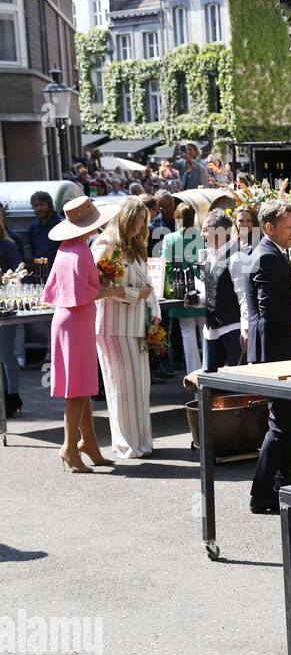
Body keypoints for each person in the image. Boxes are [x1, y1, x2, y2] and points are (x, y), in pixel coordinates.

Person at [247, 198, 291, 515]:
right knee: (283, 423)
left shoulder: (272, 253)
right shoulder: (267, 257)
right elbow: (270, 310)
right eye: (289, 228)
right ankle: (263, 493)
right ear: (269, 227)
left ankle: (282, 484)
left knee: (287, 421)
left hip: (278, 345)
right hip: (274, 349)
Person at [43, 197, 123, 472]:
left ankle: (88, 443)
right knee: (77, 390)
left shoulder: (66, 249)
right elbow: (86, 293)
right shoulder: (80, 251)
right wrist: (111, 289)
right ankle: (69, 446)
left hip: (69, 320)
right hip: (76, 322)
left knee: (82, 386)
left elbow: (64, 289)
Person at [92, 196, 157, 459]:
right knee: (122, 386)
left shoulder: (135, 246)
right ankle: (127, 443)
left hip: (136, 324)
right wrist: (133, 295)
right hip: (114, 326)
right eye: (139, 219)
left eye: (144, 220)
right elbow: (97, 286)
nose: (142, 225)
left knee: (140, 385)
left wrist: (156, 314)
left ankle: (140, 441)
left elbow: (150, 284)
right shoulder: (105, 244)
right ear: (126, 217)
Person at [198, 210, 249, 371]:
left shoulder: (236, 258)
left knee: (238, 382)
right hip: (211, 331)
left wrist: (245, 329)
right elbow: (213, 294)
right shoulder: (208, 258)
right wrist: (197, 301)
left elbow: (244, 297)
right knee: (209, 383)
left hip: (234, 329)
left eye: (205, 230)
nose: (202, 234)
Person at [160, 202, 205, 376]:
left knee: (187, 332)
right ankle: (208, 370)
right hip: (201, 287)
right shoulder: (200, 237)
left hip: (180, 288)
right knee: (204, 330)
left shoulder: (170, 238)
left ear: (177, 218)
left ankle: (193, 373)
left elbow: (166, 264)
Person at [0, 205, 25, 417]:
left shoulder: (7, 244)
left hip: (6, 305)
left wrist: (8, 277)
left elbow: (20, 272)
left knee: (6, 353)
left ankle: (12, 397)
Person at [26, 191, 63, 265]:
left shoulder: (61, 225)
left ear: (49, 205)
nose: (39, 209)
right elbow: (34, 251)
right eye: (35, 206)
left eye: (42, 205)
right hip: (42, 271)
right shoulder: (32, 228)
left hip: (60, 268)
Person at [149, 191, 175, 258]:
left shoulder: (182, 217)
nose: (167, 210)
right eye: (162, 208)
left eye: (169, 205)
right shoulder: (154, 227)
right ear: (157, 208)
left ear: (173, 202)